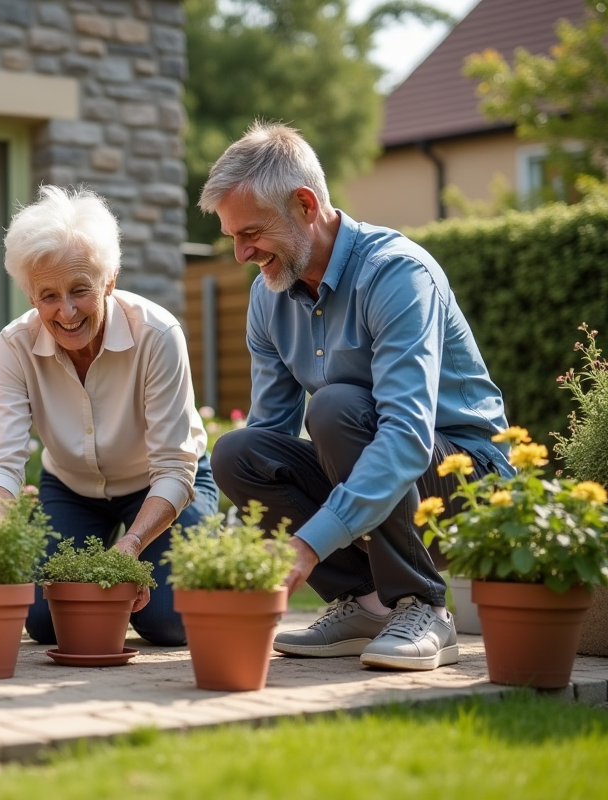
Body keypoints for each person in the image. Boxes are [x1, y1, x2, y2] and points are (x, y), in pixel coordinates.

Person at [198, 122, 513, 671]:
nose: (241, 253)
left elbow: (407, 438)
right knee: (238, 452)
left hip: (466, 479)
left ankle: (425, 606)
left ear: (304, 204)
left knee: (336, 407)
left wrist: (310, 543)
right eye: (232, 237)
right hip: (375, 469)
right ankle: (367, 603)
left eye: (251, 233)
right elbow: (272, 434)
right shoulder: (267, 298)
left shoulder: (396, 274)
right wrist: (239, 544)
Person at [0, 185, 218, 647]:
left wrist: (130, 548)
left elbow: (173, 465)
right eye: (48, 295)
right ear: (30, 294)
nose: (66, 311)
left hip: (162, 485)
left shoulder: (158, 334)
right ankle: (105, 601)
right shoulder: (14, 345)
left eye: (80, 290)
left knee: (168, 622)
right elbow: (3, 461)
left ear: (110, 280)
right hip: (71, 489)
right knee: (46, 620)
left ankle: (192, 540)